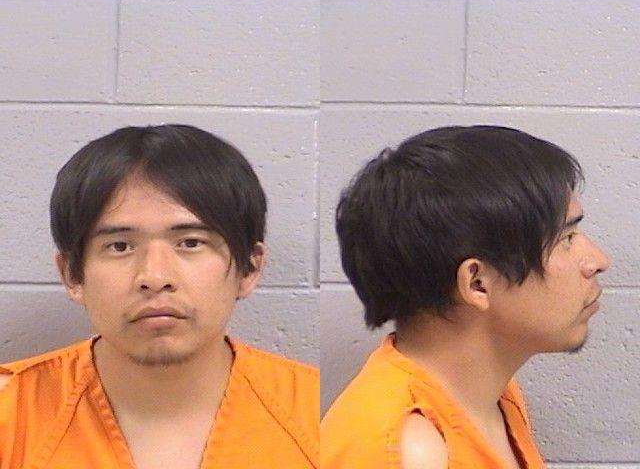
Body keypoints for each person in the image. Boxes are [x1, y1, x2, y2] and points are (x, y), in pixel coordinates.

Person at [0, 125, 319, 469]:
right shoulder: (11, 414)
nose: (155, 277)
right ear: (72, 275)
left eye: (191, 243)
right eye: (119, 246)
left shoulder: (314, 414)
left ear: (249, 269)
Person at [321, 125, 610, 469]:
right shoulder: (411, 452)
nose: (598, 261)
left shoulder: (489, 395)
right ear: (477, 284)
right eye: (566, 239)